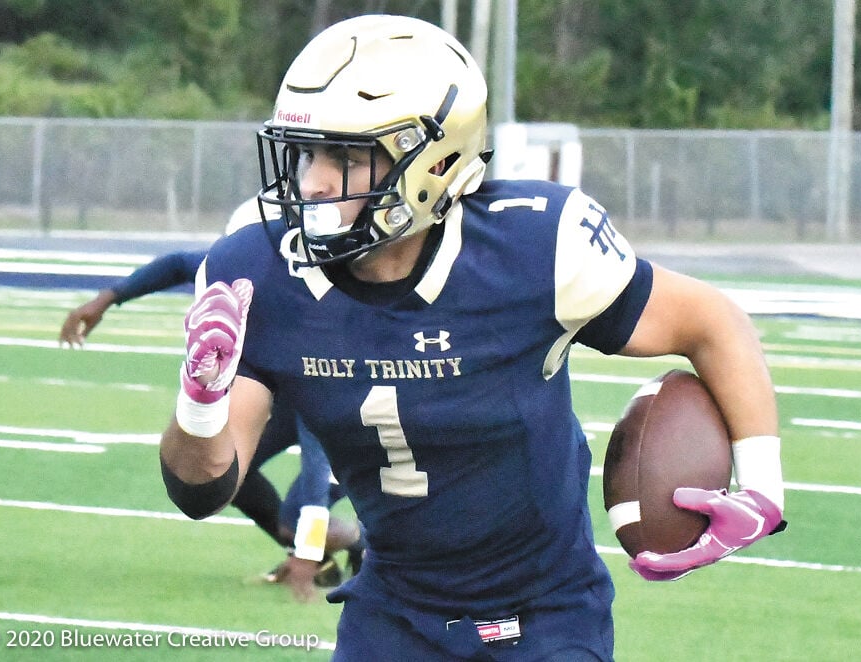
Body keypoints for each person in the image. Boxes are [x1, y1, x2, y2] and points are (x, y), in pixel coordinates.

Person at [159, 14, 785, 660]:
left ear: (433, 160)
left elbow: (712, 321)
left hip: (546, 617)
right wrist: (199, 401)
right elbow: (200, 492)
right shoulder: (258, 272)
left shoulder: (533, 249)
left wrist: (762, 488)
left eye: (347, 157)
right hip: (393, 613)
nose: (314, 181)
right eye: (308, 153)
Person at [59, 215, 362, 601]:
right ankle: (316, 552)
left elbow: (316, 463)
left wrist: (306, 550)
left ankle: (362, 544)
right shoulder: (249, 267)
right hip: (287, 396)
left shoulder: (305, 316)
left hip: (342, 406)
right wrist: (109, 297)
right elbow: (177, 265)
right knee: (226, 469)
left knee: (295, 518)